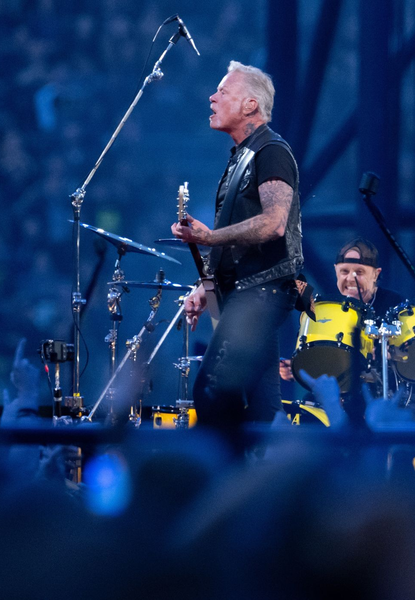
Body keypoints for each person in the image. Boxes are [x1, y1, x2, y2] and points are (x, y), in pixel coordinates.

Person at [171, 62, 302, 433]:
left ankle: (224, 479)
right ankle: (272, 481)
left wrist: (209, 237)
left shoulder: (271, 151)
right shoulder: (240, 157)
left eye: (223, 92)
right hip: (246, 292)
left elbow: (275, 223)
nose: (212, 97)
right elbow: (236, 237)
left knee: (212, 392)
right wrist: (206, 284)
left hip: (260, 294)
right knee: (264, 407)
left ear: (249, 105)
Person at [280, 237, 404, 382]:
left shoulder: (394, 303)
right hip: (340, 393)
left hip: (384, 392)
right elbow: (327, 365)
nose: (351, 279)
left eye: (359, 272)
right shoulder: (329, 310)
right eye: (344, 271)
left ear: (376, 274)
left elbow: (409, 355)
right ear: (336, 272)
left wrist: (390, 354)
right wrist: (298, 369)